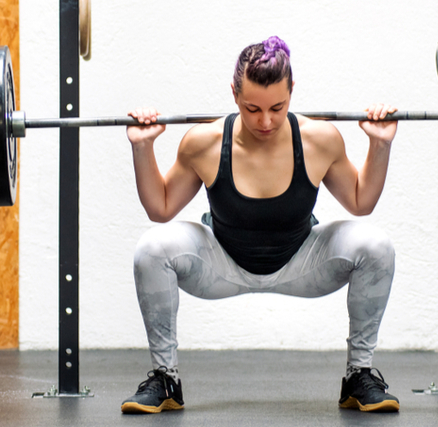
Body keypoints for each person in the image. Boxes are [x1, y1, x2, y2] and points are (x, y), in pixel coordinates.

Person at [121, 36, 399, 414]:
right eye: (252, 108)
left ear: (292, 92)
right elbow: (160, 206)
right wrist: (143, 148)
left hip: (301, 263)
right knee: (151, 248)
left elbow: (361, 201)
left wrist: (380, 146)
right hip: (221, 264)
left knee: (376, 244)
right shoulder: (204, 142)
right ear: (234, 94)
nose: (265, 121)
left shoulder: (319, 139)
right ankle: (165, 378)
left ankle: (359, 376)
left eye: (277, 108)